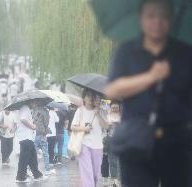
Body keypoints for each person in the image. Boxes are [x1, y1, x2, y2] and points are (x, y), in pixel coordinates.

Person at [105, 0, 192, 186]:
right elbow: (113, 89)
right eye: (151, 15)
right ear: (141, 18)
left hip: (177, 142)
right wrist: (151, 76)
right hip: (136, 141)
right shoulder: (127, 51)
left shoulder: (184, 53)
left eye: (164, 16)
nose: (157, 22)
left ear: (171, 19)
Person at [71, 89, 108, 187]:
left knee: (95, 175)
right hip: (84, 145)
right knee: (87, 172)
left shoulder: (102, 111)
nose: (91, 98)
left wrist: (98, 113)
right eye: (89, 96)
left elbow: (106, 126)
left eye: (93, 96)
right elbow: (72, 127)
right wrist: (84, 128)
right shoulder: (80, 111)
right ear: (84, 98)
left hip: (98, 146)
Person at [15, 100, 45, 183]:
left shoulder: (26, 109)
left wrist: (33, 123)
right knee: (24, 158)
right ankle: (20, 177)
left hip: (28, 138)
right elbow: (23, 119)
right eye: (35, 103)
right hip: (25, 138)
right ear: (31, 102)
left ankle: (37, 175)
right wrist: (32, 126)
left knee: (33, 157)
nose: (35, 105)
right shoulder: (25, 108)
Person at [33, 101, 56, 175]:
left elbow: (33, 121)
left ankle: (30, 169)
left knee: (33, 153)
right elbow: (46, 123)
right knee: (45, 153)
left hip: (35, 134)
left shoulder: (35, 111)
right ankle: (47, 169)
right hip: (42, 134)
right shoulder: (45, 111)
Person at [107, 102, 121, 187]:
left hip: (121, 140)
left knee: (120, 161)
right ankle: (115, 181)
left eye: (116, 107)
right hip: (111, 140)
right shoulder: (107, 116)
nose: (115, 109)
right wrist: (109, 124)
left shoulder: (122, 116)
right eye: (113, 107)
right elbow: (104, 127)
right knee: (112, 161)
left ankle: (120, 179)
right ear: (110, 108)